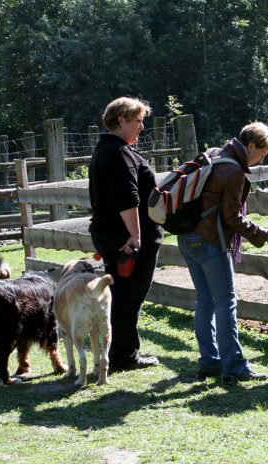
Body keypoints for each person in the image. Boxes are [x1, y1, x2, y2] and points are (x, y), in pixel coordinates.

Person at [177, 122, 268, 382]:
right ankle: (234, 366)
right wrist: (262, 235)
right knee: (225, 302)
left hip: (187, 236)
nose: (261, 160)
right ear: (250, 146)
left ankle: (210, 361)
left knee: (204, 300)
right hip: (210, 241)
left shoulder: (214, 154)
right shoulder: (233, 170)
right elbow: (232, 218)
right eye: (262, 153)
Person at [88, 96, 162, 371]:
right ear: (121, 120)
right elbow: (127, 197)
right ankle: (125, 355)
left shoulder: (105, 149)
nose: (142, 127)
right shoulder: (119, 153)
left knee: (122, 296)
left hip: (111, 235)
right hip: (125, 239)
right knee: (129, 297)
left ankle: (119, 351)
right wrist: (135, 236)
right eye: (137, 121)